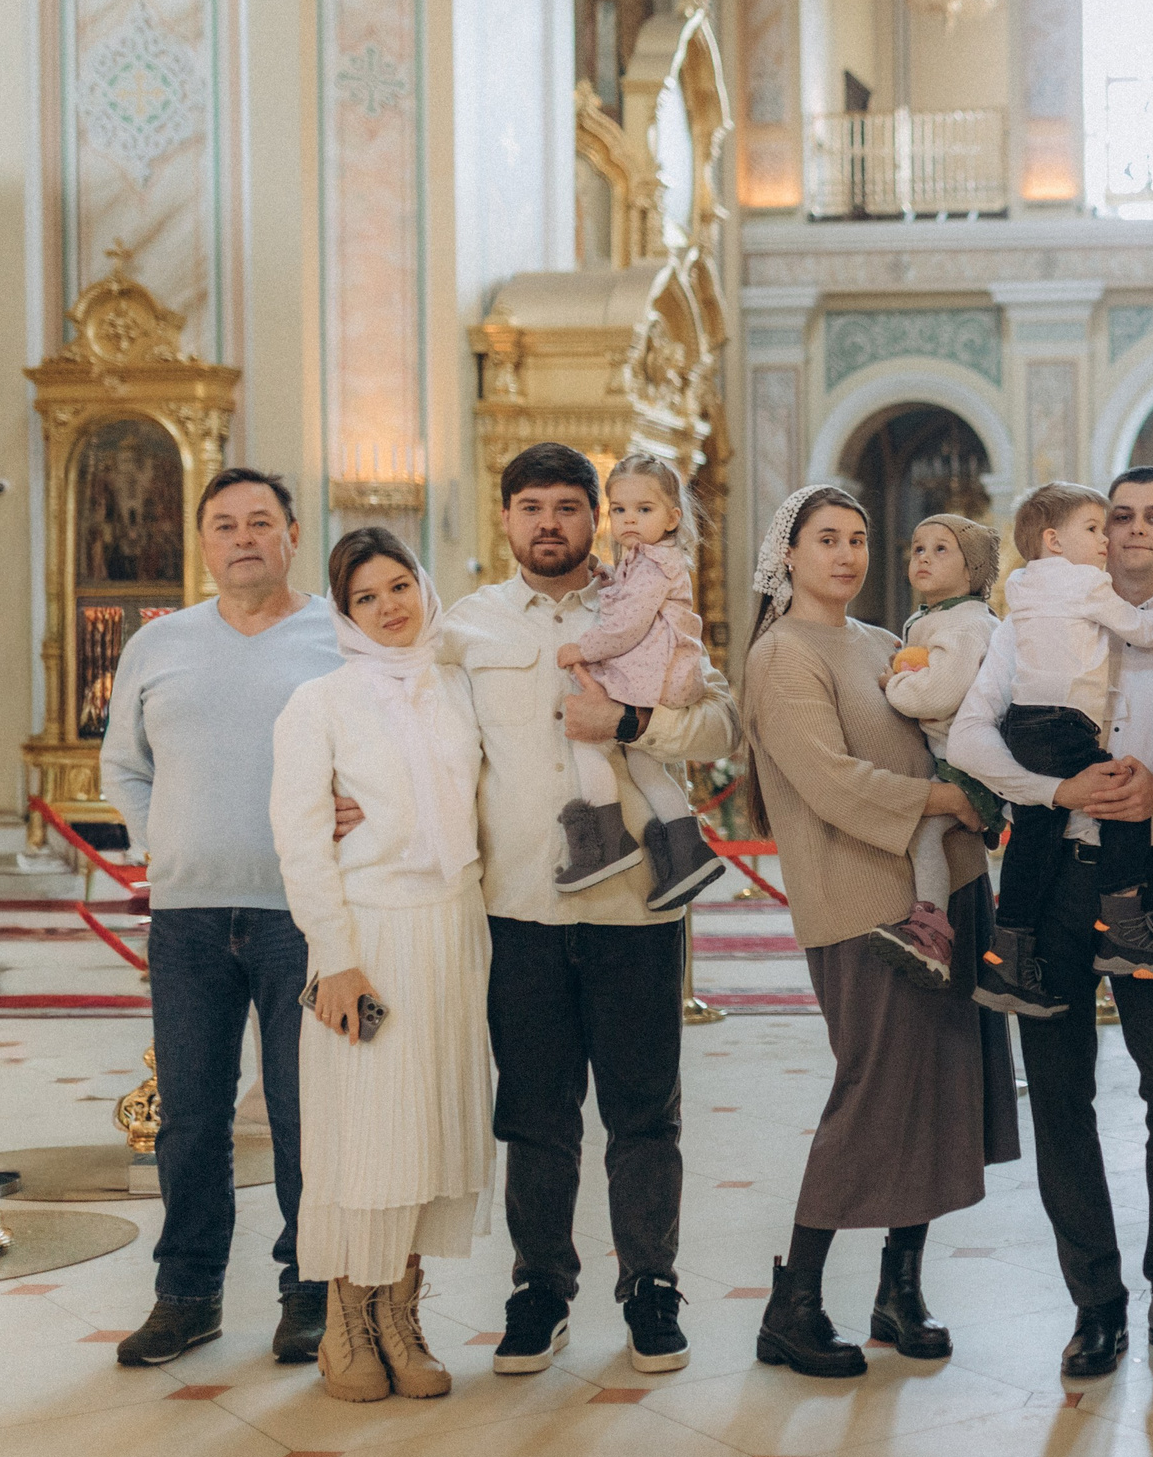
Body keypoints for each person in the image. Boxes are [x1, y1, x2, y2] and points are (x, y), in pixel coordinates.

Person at [434, 443, 738, 1377]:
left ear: (597, 517)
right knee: (535, 1114)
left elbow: (721, 726)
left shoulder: (645, 601)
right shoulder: (468, 626)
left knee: (646, 1113)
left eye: (570, 506)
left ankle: (651, 1285)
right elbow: (433, 753)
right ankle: (540, 1288)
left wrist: (634, 724)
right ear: (507, 517)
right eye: (532, 507)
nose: (551, 523)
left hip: (637, 912)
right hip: (521, 910)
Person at [948, 468, 1153, 1379]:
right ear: (1095, 533)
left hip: (1146, 874)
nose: (1136, 531)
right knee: (1062, 1096)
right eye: (1120, 517)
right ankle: (1096, 1304)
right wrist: (1057, 788)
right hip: (1046, 878)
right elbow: (969, 736)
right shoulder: (1025, 624)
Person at [740, 486, 1020, 1377]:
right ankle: (794, 1300)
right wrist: (943, 799)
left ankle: (899, 1288)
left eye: (859, 538)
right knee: (872, 1091)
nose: (848, 554)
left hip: (947, 887)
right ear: (788, 554)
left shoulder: (882, 641)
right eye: (827, 539)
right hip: (864, 900)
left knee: (937, 1094)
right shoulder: (782, 654)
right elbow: (829, 780)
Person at [103, 468, 343, 1368]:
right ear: (203, 543)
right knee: (192, 1117)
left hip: (303, 915)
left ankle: (308, 1289)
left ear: (291, 532)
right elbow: (122, 765)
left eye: (259, 522)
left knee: (300, 1113)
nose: (243, 537)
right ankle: (188, 1292)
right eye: (223, 524)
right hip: (189, 917)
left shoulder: (337, 636)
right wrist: (155, 839)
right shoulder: (157, 645)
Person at [269, 528, 490, 1403]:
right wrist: (335, 959)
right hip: (367, 937)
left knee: (427, 1131)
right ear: (344, 612)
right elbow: (300, 842)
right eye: (367, 596)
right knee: (364, 1132)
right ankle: (346, 1321)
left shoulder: (458, 687)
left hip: (452, 930)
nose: (390, 606)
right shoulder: (319, 702)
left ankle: (402, 1312)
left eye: (400, 585)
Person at [990, 482, 1153, 981]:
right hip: (1064, 862)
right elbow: (972, 738)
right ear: (1057, 540)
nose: (1125, 532)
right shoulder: (1088, 587)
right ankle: (1122, 923)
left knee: (1033, 833)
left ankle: (1006, 956)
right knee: (1117, 787)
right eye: (1110, 521)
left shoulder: (1021, 591)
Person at [549, 453, 727, 909]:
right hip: (664, 672)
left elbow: (627, 626)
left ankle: (609, 841)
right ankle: (688, 850)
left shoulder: (652, 564)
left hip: (653, 673)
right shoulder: (644, 561)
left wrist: (582, 649)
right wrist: (607, 576)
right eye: (620, 510)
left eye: (643, 510)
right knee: (647, 765)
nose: (629, 520)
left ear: (673, 517)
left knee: (587, 741)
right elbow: (630, 601)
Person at [879, 513, 1006, 979]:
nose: (924, 558)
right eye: (917, 548)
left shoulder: (968, 623)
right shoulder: (933, 618)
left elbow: (936, 694)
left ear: (972, 570)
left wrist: (893, 686)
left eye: (940, 549)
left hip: (966, 760)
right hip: (948, 754)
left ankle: (932, 932)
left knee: (924, 834)